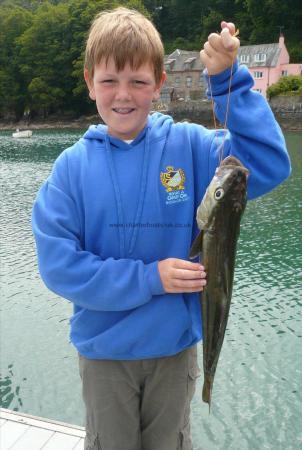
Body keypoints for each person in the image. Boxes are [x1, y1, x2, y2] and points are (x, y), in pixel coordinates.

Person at [32, 7, 291, 450]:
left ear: (160, 84)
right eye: (110, 81)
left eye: (138, 81)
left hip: (174, 351)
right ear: (89, 81)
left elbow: (268, 163)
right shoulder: (71, 168)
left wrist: (230, 80)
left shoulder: (190, 146)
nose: (123, 94)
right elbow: (60, 266)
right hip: (104, 355)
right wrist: (151, 278)